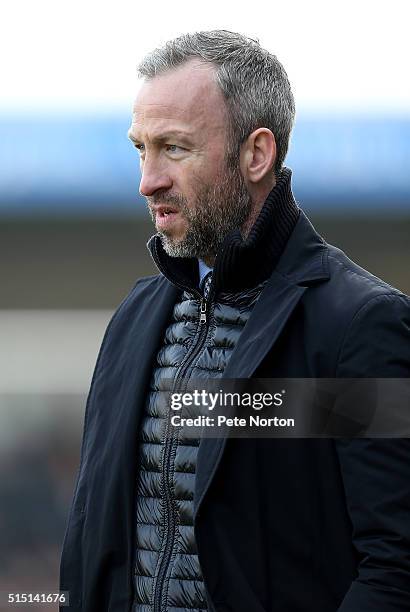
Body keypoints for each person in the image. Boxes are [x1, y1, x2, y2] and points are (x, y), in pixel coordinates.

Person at [60, 30, 410, 612]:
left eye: (174, 148)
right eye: (140, 149)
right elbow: (88, 539)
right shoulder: (133, 319)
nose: (148, 180)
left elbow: (394, 569)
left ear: (256, 154)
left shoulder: (357, 325)